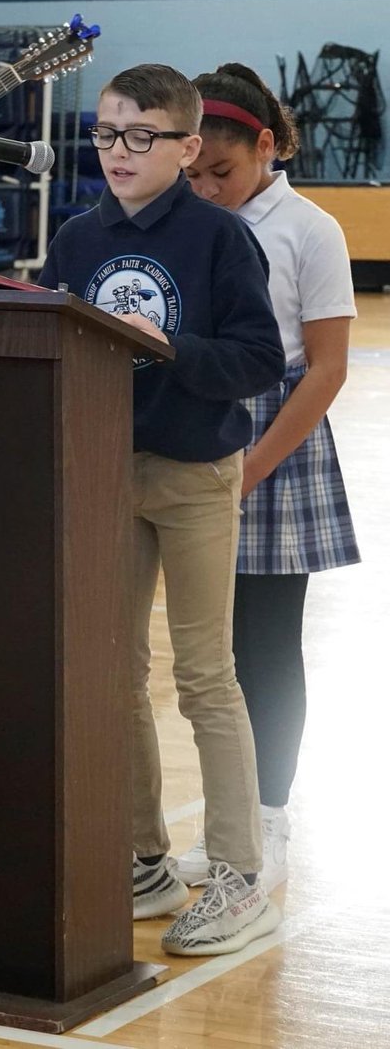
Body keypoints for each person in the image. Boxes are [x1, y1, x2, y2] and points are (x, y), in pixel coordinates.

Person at [38, 63, 286, 956]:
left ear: (187, 148)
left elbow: (258, 359)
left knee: (205, 674)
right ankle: (143, 856)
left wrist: (168, 347)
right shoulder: (75, 239)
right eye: (106, 134)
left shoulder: (221, 239)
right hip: (103, 468)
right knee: (111, 670)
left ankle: (236, 875)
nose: (119, 152)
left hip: (195, 475)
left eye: (141, 136)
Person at [172, 63, 360, 891]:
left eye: (225, 172)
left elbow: (324, 370)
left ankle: (270, 819)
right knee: (203, 657)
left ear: (268, 146)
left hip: (271, 445)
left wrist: (249, 470)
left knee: (264, 647)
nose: (208, 189)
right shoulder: (178, 222)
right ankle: (228, 824)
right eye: (195, 174)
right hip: (185, 432)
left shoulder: (310, 229)